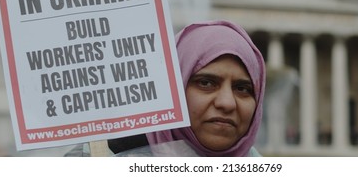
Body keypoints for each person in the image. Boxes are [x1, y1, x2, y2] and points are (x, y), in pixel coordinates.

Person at [66, 20, 266, 157]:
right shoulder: (96, 159)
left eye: (242, 88)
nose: (227, 102)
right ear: (173, 90)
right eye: (206, 83)